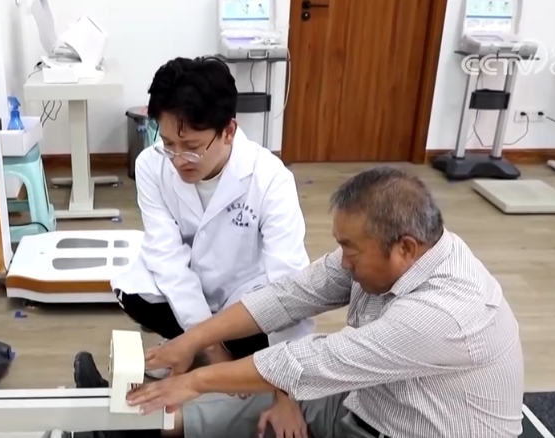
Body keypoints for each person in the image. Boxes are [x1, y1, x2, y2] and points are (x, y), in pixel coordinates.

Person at [111, 166, 525, 438]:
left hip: (413, 428)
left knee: (249, 392)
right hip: (373, 400)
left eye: (351, 250)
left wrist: (193, 380)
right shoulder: (400, 251)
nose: (342, 260)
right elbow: (289, 295)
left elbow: (315, 360)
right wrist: (194, 339)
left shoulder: (446, 314)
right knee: (250, 404)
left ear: (405, 248)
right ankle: (126, 421)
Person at [111, 56, 313, 369]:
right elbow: (165, 255)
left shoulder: (270, 178)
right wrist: (210, 344)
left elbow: (288, 282)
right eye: (168, 143)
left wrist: (288, 376)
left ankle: (202, 352)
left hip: (243, 294)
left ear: (228, 131)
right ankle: (203, 352)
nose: (179, 160)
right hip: (187, 287)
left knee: (263, 322)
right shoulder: (151, 166)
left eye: (191, 147)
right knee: (134, 293)